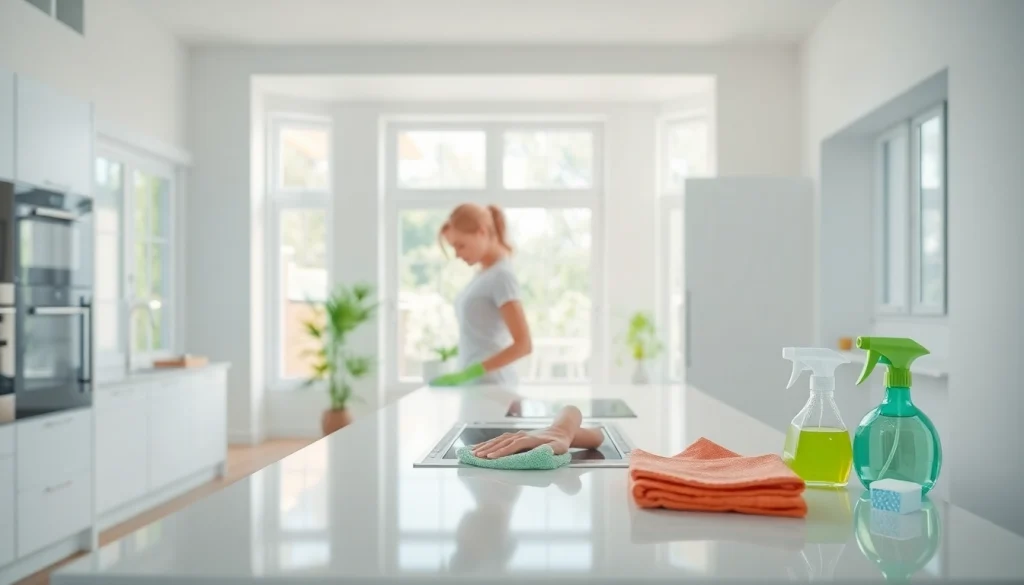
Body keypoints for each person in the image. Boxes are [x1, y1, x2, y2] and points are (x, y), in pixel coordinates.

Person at [428, 203, 532, 387]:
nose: (457, 254)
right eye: (454, 247)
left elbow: (523, 345)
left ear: (482, 232)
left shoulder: (502, 276)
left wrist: (473, 371)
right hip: (477, 386)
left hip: (495, 388)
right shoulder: (484, 274)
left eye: (461, 245)